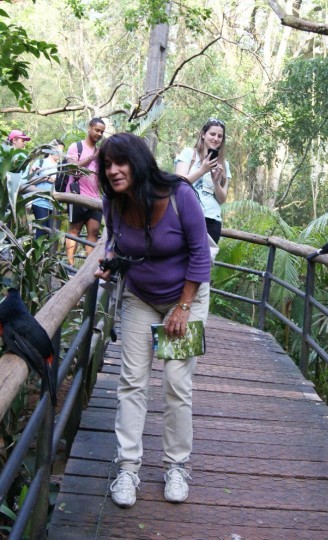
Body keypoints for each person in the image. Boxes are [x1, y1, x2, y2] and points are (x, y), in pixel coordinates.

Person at [93, 133, 211, 509]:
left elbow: (201, 255)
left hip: (186, 299)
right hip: (140, 298)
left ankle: (177, 465)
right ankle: (128, 467)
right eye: (107, 165)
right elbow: (115, 242)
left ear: (139, 162)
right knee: (131, 381)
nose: (113, 171)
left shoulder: (180, 195)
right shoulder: (114, 203)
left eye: (120, 162)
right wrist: (111, 263)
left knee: (176, 382)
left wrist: (183, 307)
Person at [174, 118, 231, 244]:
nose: (216, 139)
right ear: (203, 134)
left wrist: (216, 182)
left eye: (220, 136)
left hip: (211, 221)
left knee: (203, 262)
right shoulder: (189, 154)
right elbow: (177, 184)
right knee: (179, 259)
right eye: (212, 134)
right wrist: (202, 170)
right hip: (185, 215)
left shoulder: (224, 165)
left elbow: (222, 199)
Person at [65, 118, 106, 264]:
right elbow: (71, 168)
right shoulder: (76, 147)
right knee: (74, 231)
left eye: (102, 131)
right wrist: (91, 158)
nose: (99, 134)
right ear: (89, 128)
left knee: (93, 233)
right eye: (97, 130)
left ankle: (89, 270)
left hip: (94, 198)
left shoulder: (101, 153)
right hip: (77, 196)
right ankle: (69, 268)